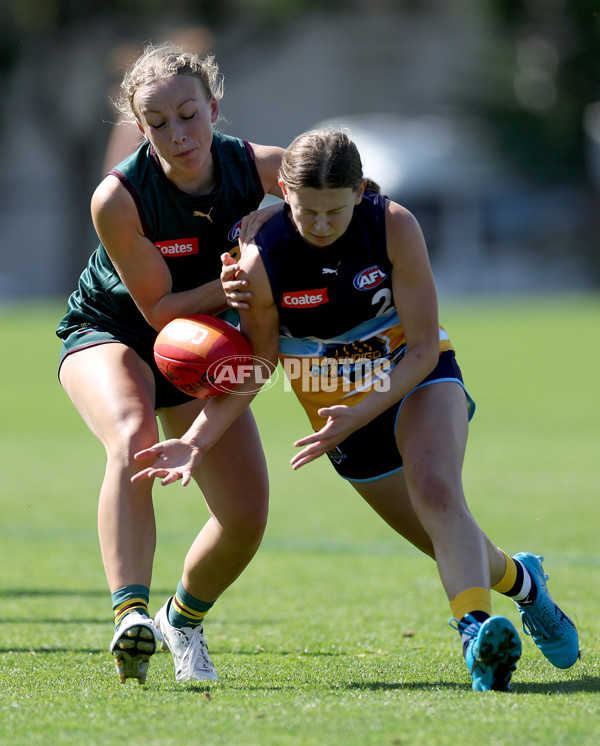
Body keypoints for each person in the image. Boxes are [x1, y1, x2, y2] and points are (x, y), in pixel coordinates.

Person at [132, 129, 579, 691]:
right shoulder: (260, 258)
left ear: (362, 191)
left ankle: (475, 638)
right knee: (442, 536)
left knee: (437, 489)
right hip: (331, 406)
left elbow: (421, 346)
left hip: (414, 373)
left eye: (335, 212)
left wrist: (363, 408)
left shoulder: (394, 224)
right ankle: (527, 585)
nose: (321, 225)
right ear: (283, 193)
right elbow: (262, 360)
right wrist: (197, 438)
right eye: (307, 211)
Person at [56, 42, 285, 685]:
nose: (177, 134)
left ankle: (179, 618)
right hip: (117, 331)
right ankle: (130, 613)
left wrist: (277, 222)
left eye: (189, 115)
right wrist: (241, 273)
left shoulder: (258, 165)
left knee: (246, 516)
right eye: (157, 124)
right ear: (139, 127)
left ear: (214, 107)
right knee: (133, 435)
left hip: (205, 344)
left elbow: (348, 194)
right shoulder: (118, 198)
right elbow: (160, 312)